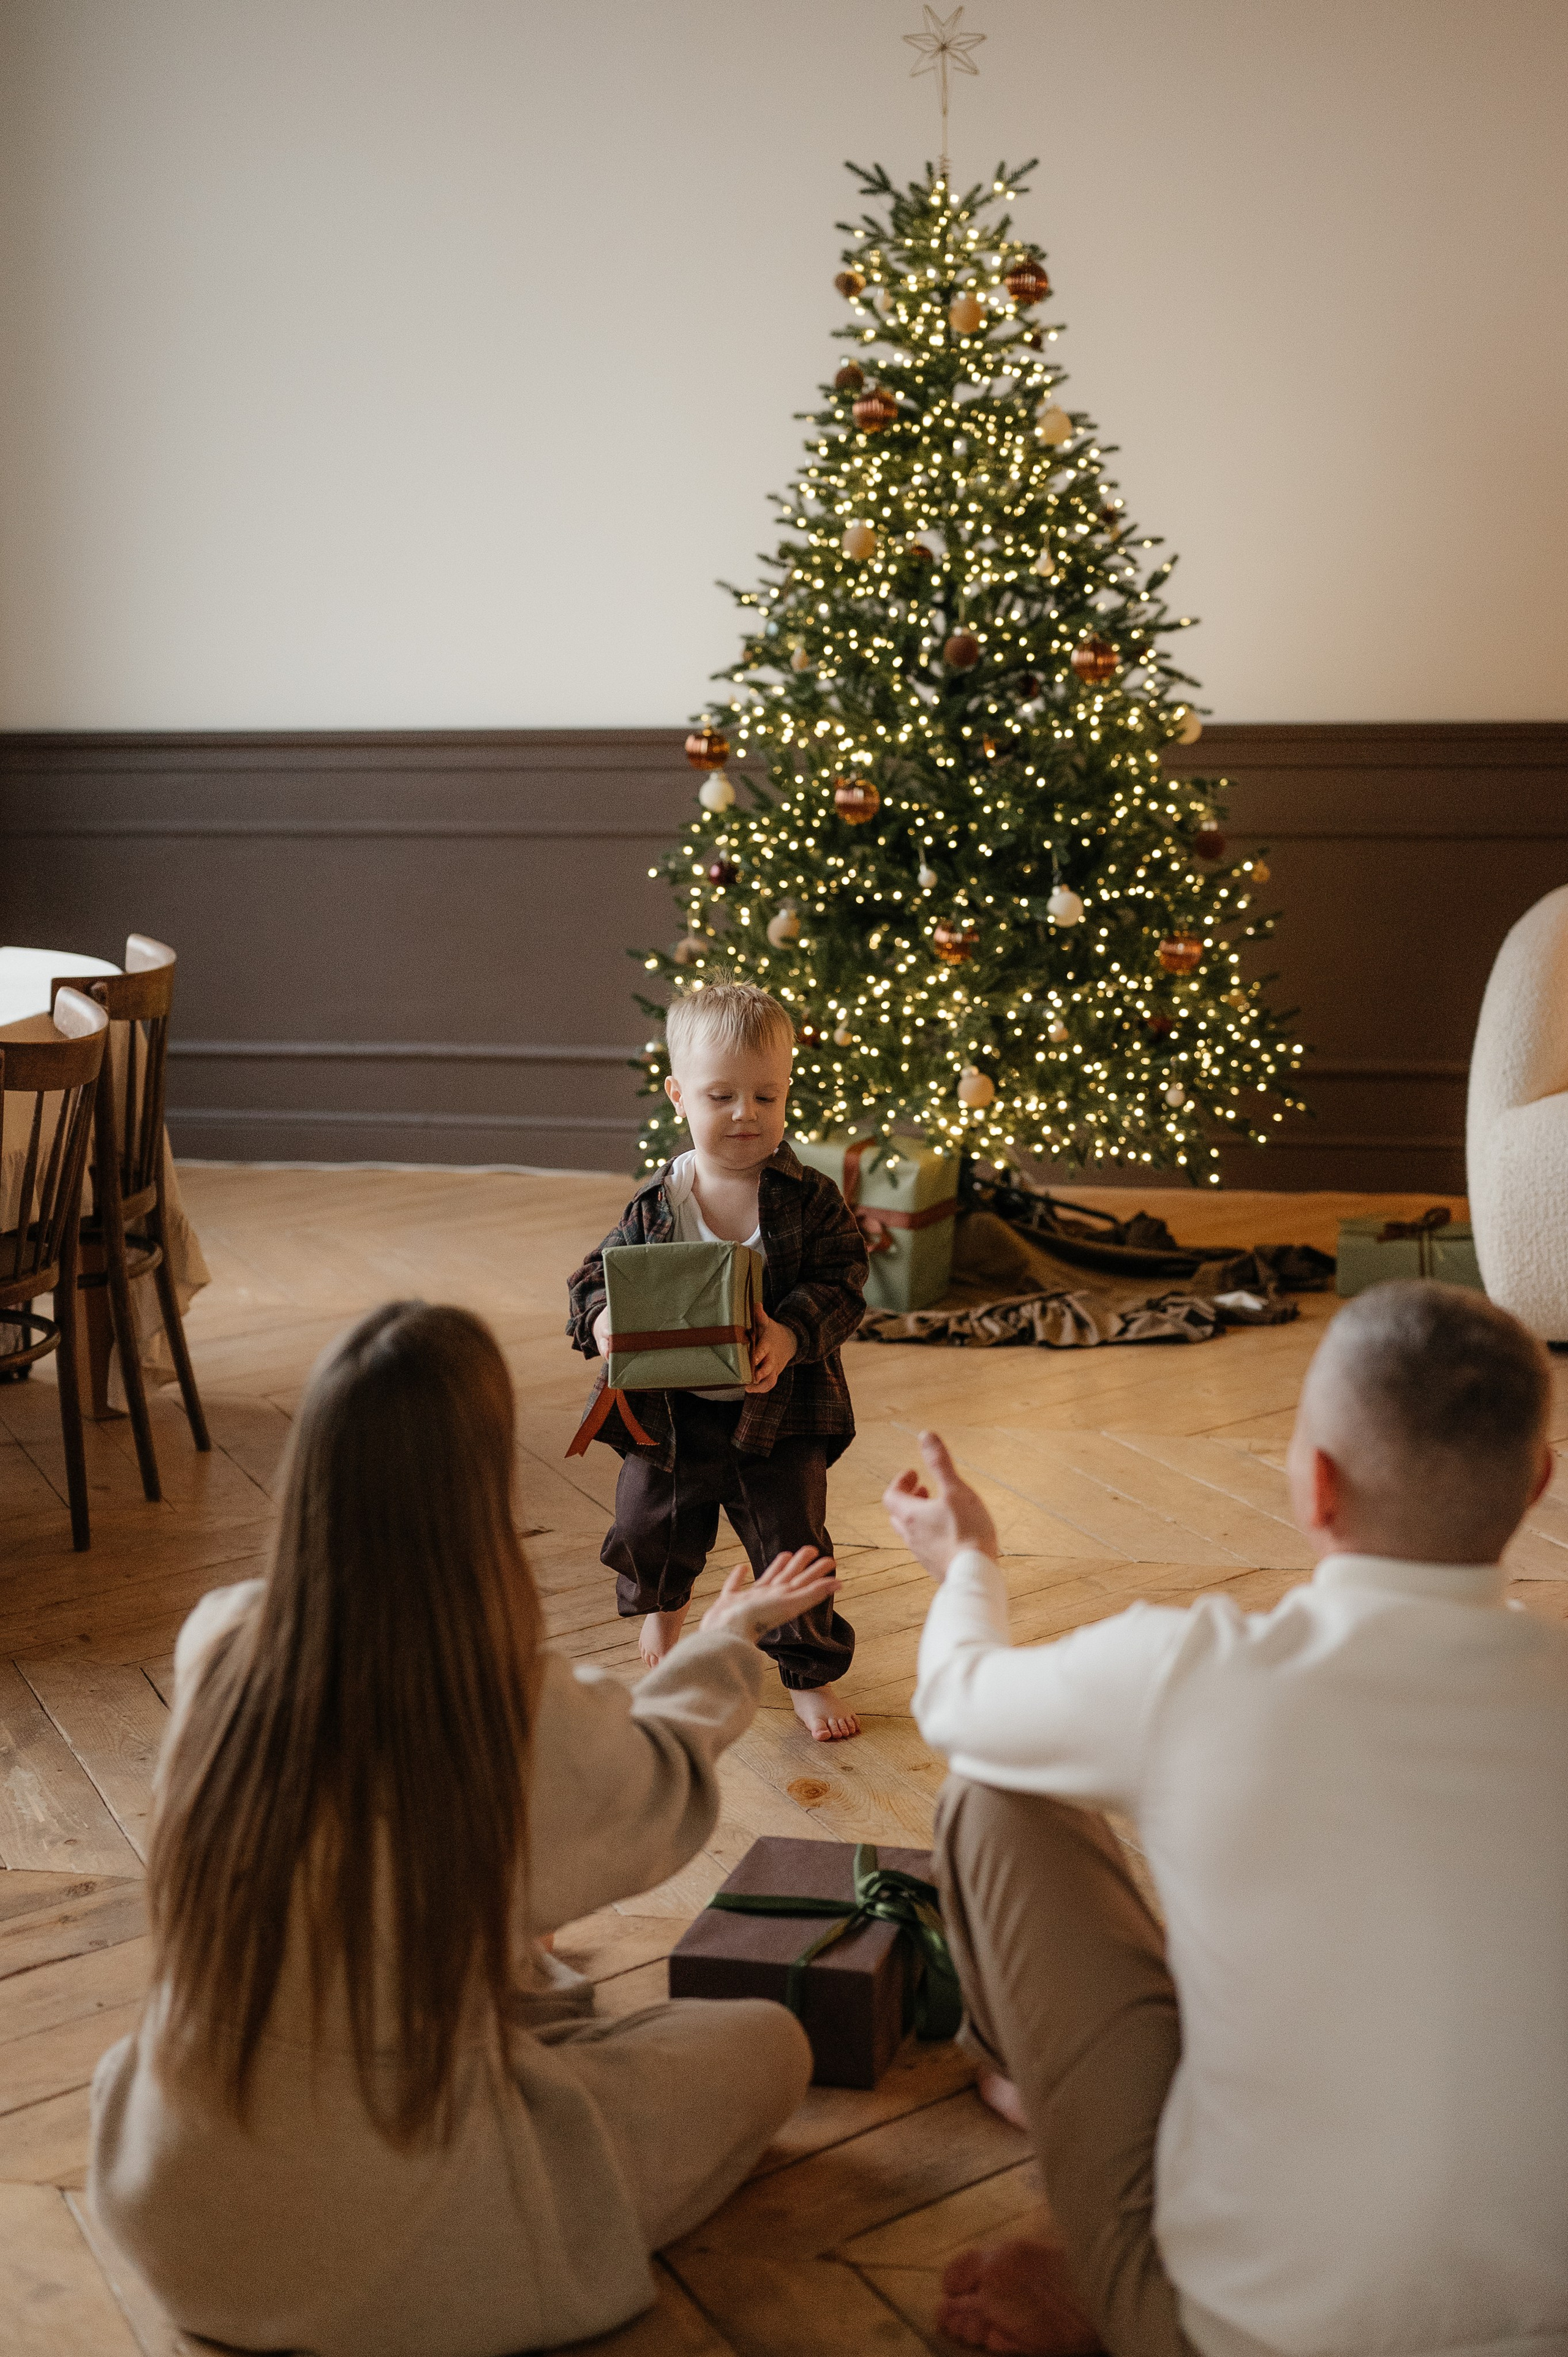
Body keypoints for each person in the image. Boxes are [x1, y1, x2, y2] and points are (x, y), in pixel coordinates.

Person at [89, 1301, 829, 2357]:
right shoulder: (501, 1707)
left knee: (503, 1956)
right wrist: (722, 1641)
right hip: (395, 2221)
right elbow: (660, 1779)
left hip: (180, 2203)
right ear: (479, 1486)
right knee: (768, 2043)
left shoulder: (221, 1639)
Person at [885, 1281, 1568, 2357]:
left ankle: (1089, 2193)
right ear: (1536, 1482)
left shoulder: (1199, 1671)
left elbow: (954, 1703)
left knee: (992, 1788)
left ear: (1315, 1484)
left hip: (1237, 2332)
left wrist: (970, 1560)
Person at [567, 979, 868, 1741]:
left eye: (767, 1096)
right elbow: (593, 1279)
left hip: (781, 1410)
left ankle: (806, 1671)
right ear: (676, 1094)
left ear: (788, 1090)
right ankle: (665, 1612)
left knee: (792, 1545)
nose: (745, 1113)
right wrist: (604, 1320)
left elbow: (843, 1281)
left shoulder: (810, 1199)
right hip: (671, 1415)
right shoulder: (657, 1205)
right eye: (721, 1094)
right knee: (649, 1526)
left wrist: (791, 1333)